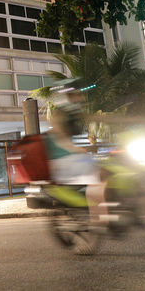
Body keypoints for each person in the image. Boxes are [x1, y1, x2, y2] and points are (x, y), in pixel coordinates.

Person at [45, 91, 110, 229]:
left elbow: (96, 118)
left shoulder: (70, 113)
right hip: (64, 163)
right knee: (101, 174)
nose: (81, 98)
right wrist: (80, 149)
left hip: (70, 159)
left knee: (105, 168)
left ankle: (103, 212)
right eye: (77, 95)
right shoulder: (59, 115)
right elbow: (61, 139)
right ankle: (98, 217)